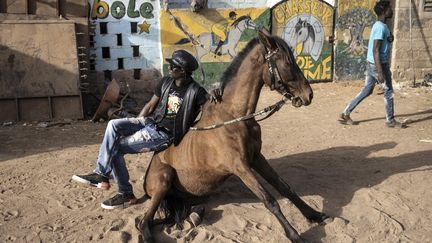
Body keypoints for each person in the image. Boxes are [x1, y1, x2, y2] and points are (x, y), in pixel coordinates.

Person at [72, 50, 221, 209]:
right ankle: (101, 173)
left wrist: (214, 92)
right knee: (113, 125)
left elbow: (212, 109)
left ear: (183, 71)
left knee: (116, 148)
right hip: (150, 122)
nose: (169, 68)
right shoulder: (165, 82)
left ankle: (125, 193)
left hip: (164, 134)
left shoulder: (196, 92)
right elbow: (150, 105)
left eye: (173, 66)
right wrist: (138, 122)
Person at [339, 0, 405, 128]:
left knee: (367, 90)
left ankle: (346, 112)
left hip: (371, 63)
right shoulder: (380, 27)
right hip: (378, 65)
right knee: (388, 91)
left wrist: (390, 38)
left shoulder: (381, 25)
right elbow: (376, 50)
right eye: (390, 8)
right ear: (385, 11)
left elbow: (385, 40)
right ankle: (390, 120)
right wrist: (380, 72)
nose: (392, 10)